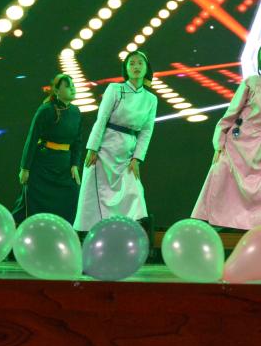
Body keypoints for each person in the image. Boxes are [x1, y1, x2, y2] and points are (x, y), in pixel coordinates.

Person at [191, 42, 261, 229]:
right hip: (237, 143)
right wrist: (219, 142)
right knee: (220, 185)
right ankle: (206, 233)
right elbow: (231, 114)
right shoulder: (252, 82)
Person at [74, 50, 158, 235]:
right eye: (131, 63)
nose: (136, 66)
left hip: (128, 154)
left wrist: (137, 158)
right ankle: (95, 235)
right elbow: (102, 119)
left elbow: (146, 131)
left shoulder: (151, 99)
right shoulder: (115, 89)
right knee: (97, 195)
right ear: (126, 68)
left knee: (134, 194)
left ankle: (126, 234)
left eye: (140, 63)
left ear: (147, 68)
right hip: (105, 149)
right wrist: (92, 148)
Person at [12, 73, 82, 225]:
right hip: (43, 166)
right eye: (68, 86)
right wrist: (25, 168)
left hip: (64, 167)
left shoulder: (76, 112)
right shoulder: (46, 110)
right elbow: (32, 139)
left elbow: (77, 141)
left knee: (72, 195)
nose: (73, 89)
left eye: (73, 85)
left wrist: (75, 165)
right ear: (56, 90)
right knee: (29, 202)